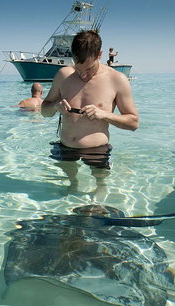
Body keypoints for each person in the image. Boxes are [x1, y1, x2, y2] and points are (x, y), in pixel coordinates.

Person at [41, 30, 139, 195]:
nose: (83, 75)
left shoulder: (117, 79)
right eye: (78, 69)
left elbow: (134, 123)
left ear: (99, 55)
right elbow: (45, 111)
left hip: (97, 150)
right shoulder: (63, 75)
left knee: (100, 189)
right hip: (65, 146)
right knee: (71, 189)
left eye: (88, 68)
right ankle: (73, 187)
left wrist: (104, 114)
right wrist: (56, 106)